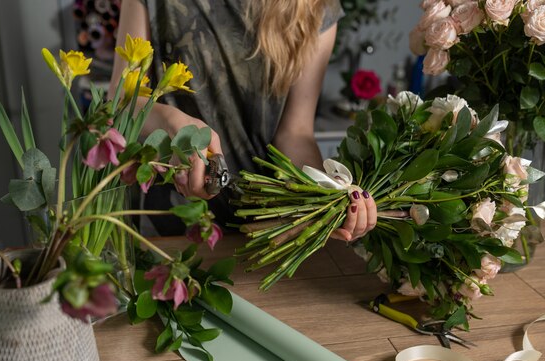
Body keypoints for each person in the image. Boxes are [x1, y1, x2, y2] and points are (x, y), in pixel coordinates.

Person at [109, 0, 376, 241]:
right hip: (171, 224)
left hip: (266, 229)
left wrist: (326, 196)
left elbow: (295, 133)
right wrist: (172, 121)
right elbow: (120, 104)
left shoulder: (315, 7)